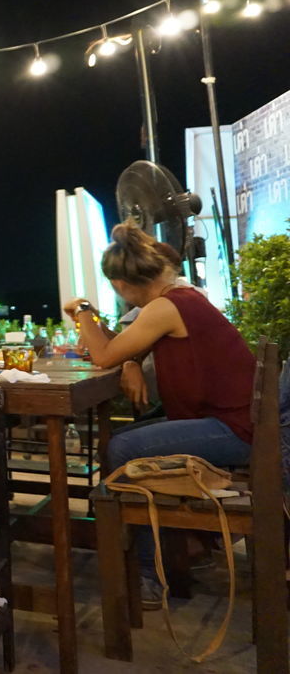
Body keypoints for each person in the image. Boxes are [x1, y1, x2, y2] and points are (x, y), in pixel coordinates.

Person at [67, 221, 254, 610]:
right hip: (237, 421)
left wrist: (82, 310)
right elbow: (122, 350)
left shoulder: (165, 307)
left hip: (235, 429)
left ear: (120, 284)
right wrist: (132, 362)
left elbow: (103, 355)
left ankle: (151, 576)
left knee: (122, 449)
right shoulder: (180, 298)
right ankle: (184, 547)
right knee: (127, 442)